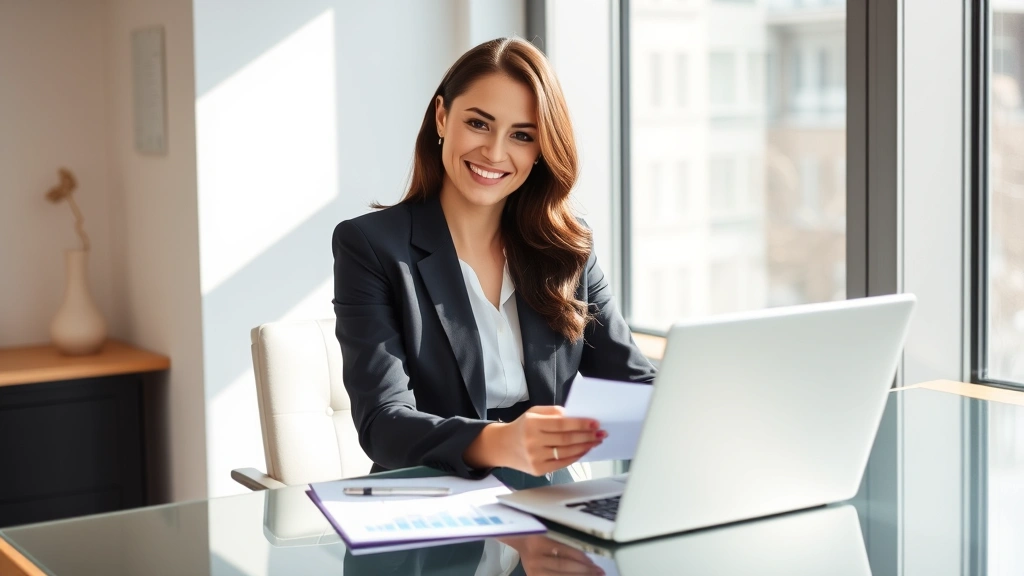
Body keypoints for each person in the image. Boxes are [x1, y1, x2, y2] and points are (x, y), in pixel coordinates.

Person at [332, 37, 655, 481]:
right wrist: (501, 442)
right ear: (442, 117)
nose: (495, 152)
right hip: (428, 504)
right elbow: (382, 423)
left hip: (545, 501)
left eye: (521, 135)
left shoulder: (567, 250)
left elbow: (635, 386)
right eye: (479, 124)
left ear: (541, 150)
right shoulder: (370, 246)